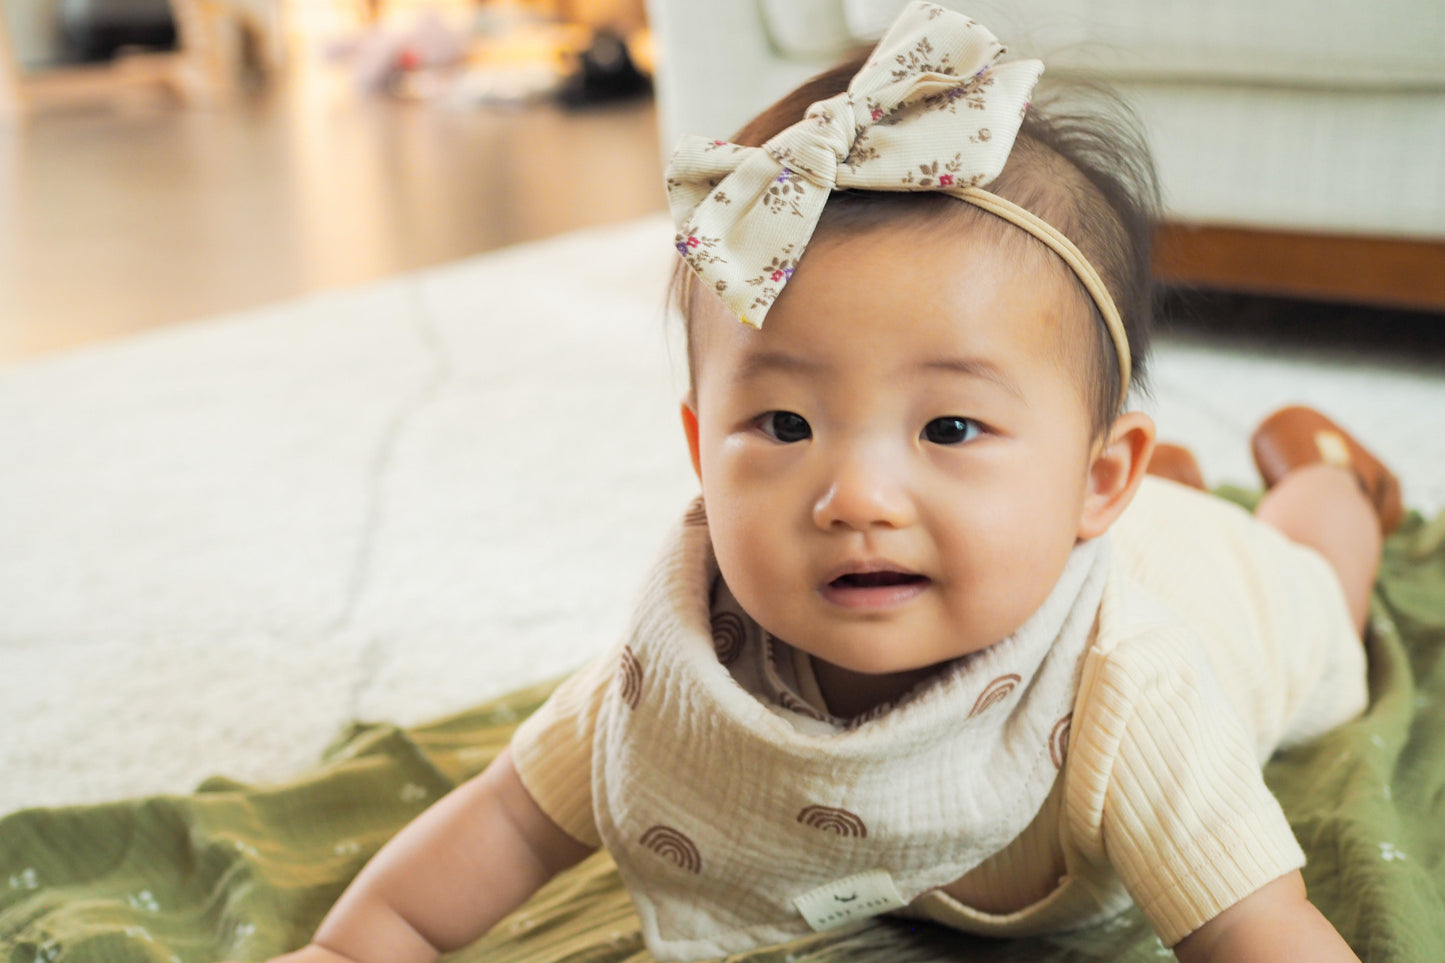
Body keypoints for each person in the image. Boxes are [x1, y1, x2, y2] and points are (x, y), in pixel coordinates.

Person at [252, 4, 1399, 961]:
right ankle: (1148, 475)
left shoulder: (1128, 690)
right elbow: (507, 816)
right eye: (784, 422)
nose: (854, 496)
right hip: (1070, 525)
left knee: (1312, 593)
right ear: (703, 450)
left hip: (1211, 596)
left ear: (1103, 480)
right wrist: (351, 947)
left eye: (948, 424)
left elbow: (1258, 925)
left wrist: (1316, 538)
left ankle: (1323, 476)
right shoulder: (678, 676)